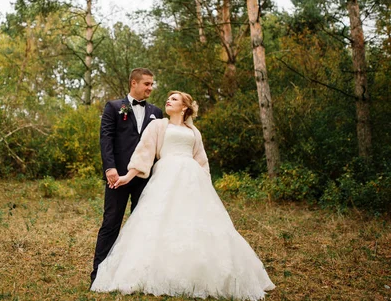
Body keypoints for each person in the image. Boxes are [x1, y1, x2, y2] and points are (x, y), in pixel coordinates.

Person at [91, 91, 275, 300]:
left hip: (192, 181)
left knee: (195, 224)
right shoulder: (158, 126)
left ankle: (197, 270)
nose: (168, 100)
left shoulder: (194, 132)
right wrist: (127, 176)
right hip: (166, 178)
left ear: (185, 107)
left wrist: (206, 187)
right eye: (168, 98)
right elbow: (145, 152)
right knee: (160, 222)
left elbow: (202, 159)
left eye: (175, 99)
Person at [90, 68, 164, 283]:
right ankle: (99, 275)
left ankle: (136, 275)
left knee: (141, 225)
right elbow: (106, 138)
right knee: (111, 223)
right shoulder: (114, 107)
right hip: (118, 177)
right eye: (147, 84)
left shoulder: (156, 112)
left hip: (145, 178)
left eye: (152, 84)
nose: (150, 88)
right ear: (134, 83)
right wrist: (110, 168)